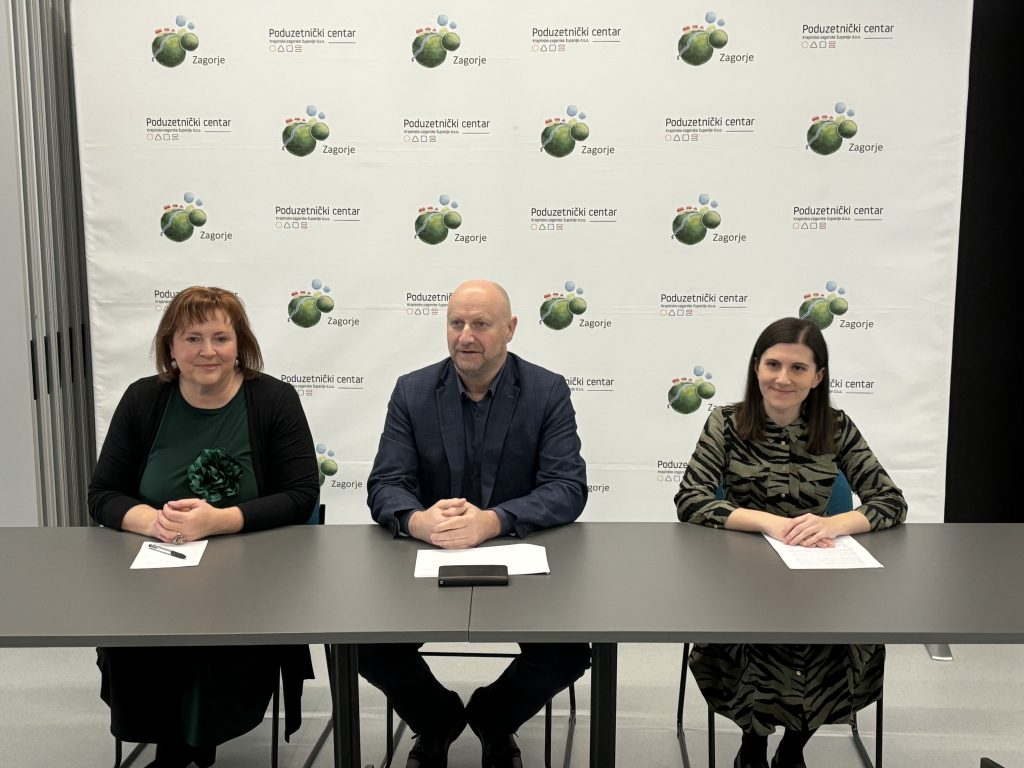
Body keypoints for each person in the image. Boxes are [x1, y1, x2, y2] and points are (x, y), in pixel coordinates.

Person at [361, 279, 590, 768]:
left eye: (481, 324)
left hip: (518, 556)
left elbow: (568, 487)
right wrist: (418, 521)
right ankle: (438, 721)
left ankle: (492, 719)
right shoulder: (413, 390)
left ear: (510, 329)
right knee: (366, 648)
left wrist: (494, 520)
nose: (466, 336)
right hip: (431, 556)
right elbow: (385, 483)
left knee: (567, 653)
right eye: (456, 323)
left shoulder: (546, 391)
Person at [88, 286, 319, 768]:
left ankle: (185, 749)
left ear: (240, 345)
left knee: (212, 640)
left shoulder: (273, 400)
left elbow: (301, 495)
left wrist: (219, 521)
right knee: (131, 642)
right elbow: (103, 494)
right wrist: (154, 522)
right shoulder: (143, 399)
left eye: (220, 338)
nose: (207, 351)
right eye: (192, 338)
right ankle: (174, 740)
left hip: (251, 575)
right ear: (170, 347)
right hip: (154, 570)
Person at [674, 317, 907, 768]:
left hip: (817, 575)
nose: (783, 378)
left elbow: (890, 500)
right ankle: (753, 746)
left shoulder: (836, 427)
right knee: (757, 643)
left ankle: (795, 746)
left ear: (817, 377)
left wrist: (834, 524)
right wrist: (768, 522)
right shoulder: (725, 422)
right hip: (741, 577)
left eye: (798, 368)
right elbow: (691, 499)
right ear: (756, 367)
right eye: (773, 365)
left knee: (839, 640)